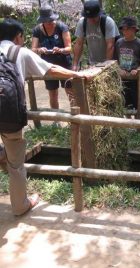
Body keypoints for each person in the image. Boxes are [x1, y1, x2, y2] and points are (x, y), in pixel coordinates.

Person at [0, 18, 89, 216]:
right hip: (7, 113)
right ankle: (20, 205)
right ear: (18, 37)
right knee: (15, 164)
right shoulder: (20, 52)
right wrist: (78, 75)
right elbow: (52, 69)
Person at [31, 4, 75, 108]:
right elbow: (33, 49)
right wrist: (39, 50)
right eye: (46, 21)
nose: (49, 23)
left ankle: (75, 119)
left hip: (64, 64)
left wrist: (60, 50)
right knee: (53, 94)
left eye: (50, 20)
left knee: (70, 92)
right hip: (48, 66)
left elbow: (69, 48)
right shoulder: (37, 30)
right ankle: (56, 121)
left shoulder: (61, 27)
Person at [114, 16, 140, 113]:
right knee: (125, 104)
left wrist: (137, 70)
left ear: (134, 29)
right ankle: (128, 125)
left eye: (127, 29)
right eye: (123, 29)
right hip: (122, 78)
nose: (125, 32)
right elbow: (115, 60)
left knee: (138, 104)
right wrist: (119, 69)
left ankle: (138, 126)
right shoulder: (119, 42)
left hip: (135, 79)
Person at [72, 0, 119, 69]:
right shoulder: (82, 23)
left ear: (99, 14)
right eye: (89, 17)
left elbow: (110, 46)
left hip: (110, 62)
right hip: (93, 63)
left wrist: (106, 66)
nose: (91, 20)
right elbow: (79, 44)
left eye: (94, 17)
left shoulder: (107, 22)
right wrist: (75, 64)